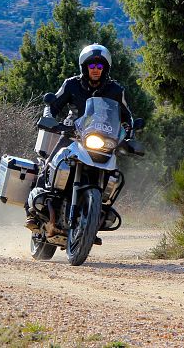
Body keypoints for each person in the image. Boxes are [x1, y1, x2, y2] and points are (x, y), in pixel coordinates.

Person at [25, 43, 133, 230]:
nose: (96, 70)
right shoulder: (71, 84)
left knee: (113, 173)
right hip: (72, 132)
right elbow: (52, 106)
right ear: (84, 67)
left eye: (100, 66)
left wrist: (128, 133)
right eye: (92, 66)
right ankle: (32, 213)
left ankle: (98, 214)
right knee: (51, 163)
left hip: (102, 137)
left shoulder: (115, 90)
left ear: (106, 68)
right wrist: (49, 120)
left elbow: (126, 116)